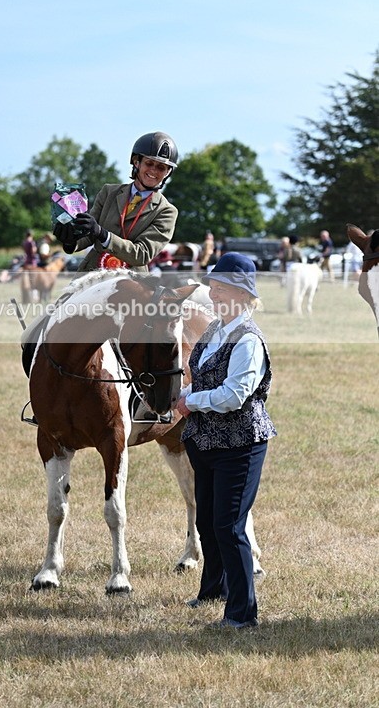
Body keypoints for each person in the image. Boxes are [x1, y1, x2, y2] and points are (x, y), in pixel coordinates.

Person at [176, 252, 277, 629]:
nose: (213, 294)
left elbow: (236, 394)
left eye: (219, 289)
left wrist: (191, 401)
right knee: (207, 522)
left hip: (240, 443)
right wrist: (184, 392)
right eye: (213, 288)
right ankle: (213, 590)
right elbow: (202, 375)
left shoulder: (248, 339)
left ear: (239, 293)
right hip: (204, 440)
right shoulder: (215, 330)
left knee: (230, 527)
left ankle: (241, 614)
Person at [53, 131, 179, 272]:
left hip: (132, 281)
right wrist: (70, 240)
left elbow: (142, 254)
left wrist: (103, 234)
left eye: (161, 167)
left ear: (167, 172)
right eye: (149, 163)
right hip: (92, 272)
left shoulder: (167, 211)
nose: (154, 171)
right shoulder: (109, 192)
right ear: (136, 162)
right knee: (65, 296)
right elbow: (88, 235)